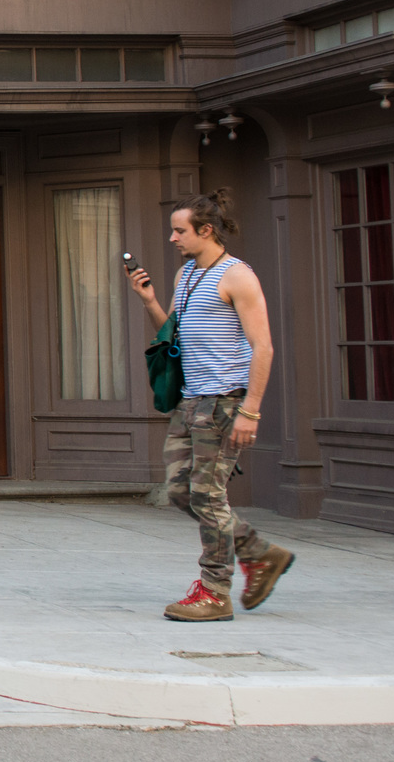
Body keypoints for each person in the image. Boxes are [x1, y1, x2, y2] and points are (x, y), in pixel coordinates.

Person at [125, 188, 296, 622]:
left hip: (224, 402)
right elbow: (174, 339)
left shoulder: (238, 276)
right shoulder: (188, 276)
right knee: (183, 492)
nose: (173, 239)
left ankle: (215, 592)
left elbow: (264, 347)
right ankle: (261, 553)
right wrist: (149, 302)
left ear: (206, 230)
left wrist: (250, 411)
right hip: (191, 400)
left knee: (208, 495)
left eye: (179, 231)